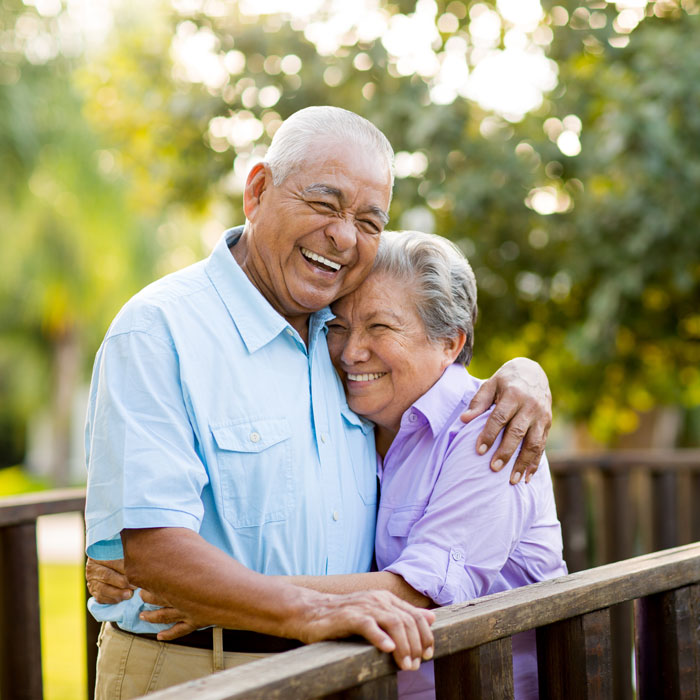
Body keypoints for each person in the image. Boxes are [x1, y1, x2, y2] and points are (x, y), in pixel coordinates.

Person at [84, 106, 553, 698]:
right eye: (325, 204)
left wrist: (524, 375)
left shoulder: (338, 340)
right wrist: (295, 608)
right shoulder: (159, 330)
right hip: (199, 671)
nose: (343, 235)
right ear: (257, 191)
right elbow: (154, 554)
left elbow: (428, 365)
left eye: (368, 221)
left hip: (344, 672)